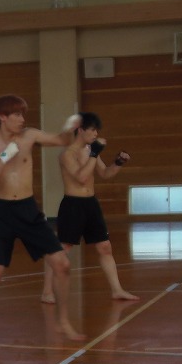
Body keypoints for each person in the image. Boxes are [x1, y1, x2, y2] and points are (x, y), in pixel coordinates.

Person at [0, 95, 83, 347]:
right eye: (17, 115)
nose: (23, 120)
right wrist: (3, 158)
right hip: (0, 213)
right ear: (2, 117)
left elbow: (60, 140)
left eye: (24, 114)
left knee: (62, 265)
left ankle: (63, 320)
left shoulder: (30, 136)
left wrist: (70, 126)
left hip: (28, 210)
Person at [57, 111, 139, 302]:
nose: (95, 134)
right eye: (92, 130)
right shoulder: (67, 154)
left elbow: (104, 174)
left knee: (104, 247)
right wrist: (94, 153)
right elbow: (81, 177)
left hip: (90, 204)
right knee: (62, 249)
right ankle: (48, 290)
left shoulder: (90, 152)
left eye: (96, 131)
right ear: (80, 129)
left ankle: (117, 289)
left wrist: (118, 163)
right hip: (73, 204)